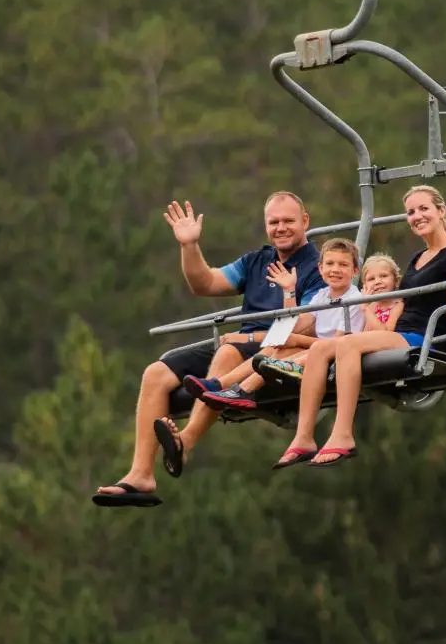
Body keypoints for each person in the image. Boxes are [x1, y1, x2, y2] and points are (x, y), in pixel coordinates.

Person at [93, 191, 322, 508]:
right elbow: (205, 283)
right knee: (156, 373)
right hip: (244, 340)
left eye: (288, 221)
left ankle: (185, 441)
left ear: (305, 221)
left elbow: (305, 326)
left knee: (228, 351)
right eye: (274, 222)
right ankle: (140, 475)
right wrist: (189, 246)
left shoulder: (320, 266)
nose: (281, 227)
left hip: (279, 347)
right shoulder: (257, 261)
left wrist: (244, 341)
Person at [273, 185, 446, 470]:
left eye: (424, 209)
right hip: (400, 332)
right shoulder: (417, 258)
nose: (417, 216)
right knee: (322, 348)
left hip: (425, 339)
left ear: (442, 210)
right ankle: (304, 437)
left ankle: (343, 435)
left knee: (348, 344)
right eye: (411, 212)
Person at [188, 237, 366, 410]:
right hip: (318, 349)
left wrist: (297, 340)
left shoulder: (353, 300)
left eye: (343, 265)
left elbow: (340, 345)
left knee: (283, 351)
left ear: (355, 271)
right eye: (330, 264)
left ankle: (245, 390)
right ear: (320, 268)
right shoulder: (322, 295)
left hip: (336, 354)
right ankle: (221, 384)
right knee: (277, 347)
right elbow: (295, 326)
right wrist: (289, 291)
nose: (335, 270)